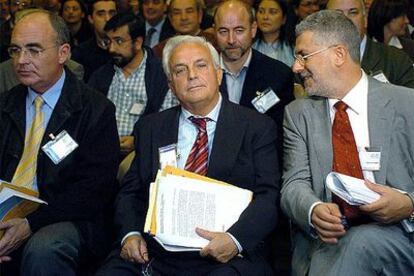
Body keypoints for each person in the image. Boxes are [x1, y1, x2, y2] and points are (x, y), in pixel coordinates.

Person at [96, 35, 280, 275]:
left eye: (201, 65)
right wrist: (130, 234)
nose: (192, 75)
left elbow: (268, 195)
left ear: (218, 74)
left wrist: (234, 240)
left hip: (224, 253)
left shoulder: (256, 127)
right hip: (156, 252)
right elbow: (130, 192)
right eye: (180, 70)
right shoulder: (151, 127)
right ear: (171, 85)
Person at [281, 10, 414, 276]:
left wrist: (409, 205)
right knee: (349, 246)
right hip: (328, 241)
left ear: (339, 55)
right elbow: (293, 184)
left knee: (359, 242)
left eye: (303, 56)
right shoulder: (298, 114)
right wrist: (314, 209)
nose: (296, 67)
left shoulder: (406, 104)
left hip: (401, 236)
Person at [0, 10, 119, 275]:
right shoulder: (5, 104)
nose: (21, 60)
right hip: (6, 211)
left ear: (63, 53)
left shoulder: (95, 109)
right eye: (15, 50)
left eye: (33, 50)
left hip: (67, 217)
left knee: (45, 248)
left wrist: (31, 222)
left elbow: (93, 190)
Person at [88, 12, 177, 155]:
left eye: (119, 41)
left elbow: (167, 124)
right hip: (102, 152)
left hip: (145, 151)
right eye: (108, 41)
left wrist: (138, 140)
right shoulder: (100, 76)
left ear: (138, 42)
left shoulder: (161, 75)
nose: (111, 49)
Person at [214, 0, 294, 155]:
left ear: (253, 29)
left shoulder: (278, 75)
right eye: (223, 31)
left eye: (239, 31)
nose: (231, 40)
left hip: (259, 165)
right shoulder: (203, 73)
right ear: (214, 32)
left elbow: (281, 138)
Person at [327, 0, 414, 88]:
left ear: (365, 19)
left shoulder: (396, 60)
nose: (346, 20)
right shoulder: (316, 61)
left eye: (353, 12)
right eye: (337, 14)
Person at [72, 0, 117, 81]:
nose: (108, 19)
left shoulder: (127, 49)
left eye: (112, 13)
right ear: (91, 19)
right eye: (101, 14)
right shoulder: (80, 53)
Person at [252, 0, 296, 66]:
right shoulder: (248, 46)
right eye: (261, 11)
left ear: (284, 18)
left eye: (272, 12)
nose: (265, 17)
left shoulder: (294, 48)